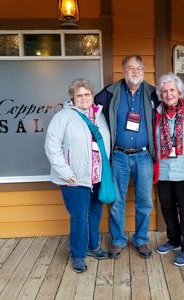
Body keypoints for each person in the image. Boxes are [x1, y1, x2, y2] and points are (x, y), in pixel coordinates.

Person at [95, 55, 158, 258]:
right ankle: (118, 240)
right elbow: (90, 108)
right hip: (119, 156)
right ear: (123, 71)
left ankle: (141, 239)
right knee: (117, 201)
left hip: (143, 156)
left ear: (144, 71)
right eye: (131, 67)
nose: (135, 71)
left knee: (144, 201)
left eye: (139, 68)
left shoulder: (153, 93)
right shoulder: (109, 94)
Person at [45, 79, 111, 273]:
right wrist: (65, 171)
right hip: (74, 178)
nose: (83, 98)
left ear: (92, 96)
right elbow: (52, 146)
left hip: (97, 177)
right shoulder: (63, 116)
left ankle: (93, 246)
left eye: (87, 94)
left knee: (95, 213)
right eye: (79, 95)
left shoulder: (99, 115)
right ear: (72, 98)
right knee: (80, 217)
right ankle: (78, 254)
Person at [153, 73, 184, 266]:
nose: (168, 93)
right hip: (163, 171)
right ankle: (173, 240)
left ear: (179, 91)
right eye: (164, 91)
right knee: (167, 208)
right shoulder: (156, 112)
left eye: (172, 90)